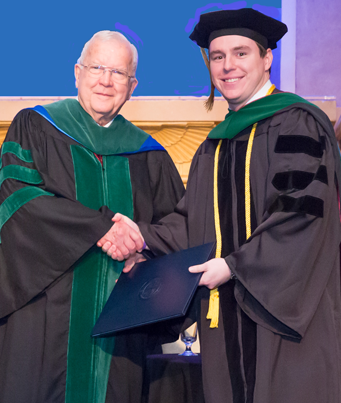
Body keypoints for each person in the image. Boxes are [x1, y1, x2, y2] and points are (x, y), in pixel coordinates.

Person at [98, 8, 341, 403]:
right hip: (225, 318)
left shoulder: (298, 124)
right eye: (217, 56)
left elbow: (301, 216)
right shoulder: (215, 145)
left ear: (266, 59)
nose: (228, 66)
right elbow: (191, 221)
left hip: (283, 321)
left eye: (241, 53)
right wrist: (142, 237)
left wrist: (234, 266)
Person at [0, 31, 185, 403]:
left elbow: (177, 225)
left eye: (118, 72)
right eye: (97, 67)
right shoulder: (35, 128)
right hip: (46, 316)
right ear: (77, 72)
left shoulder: (150, 155)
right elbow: (19, 197)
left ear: (132, 86)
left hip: (120, 327)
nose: (106, 80)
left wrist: (141, 243)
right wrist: (101, 229)